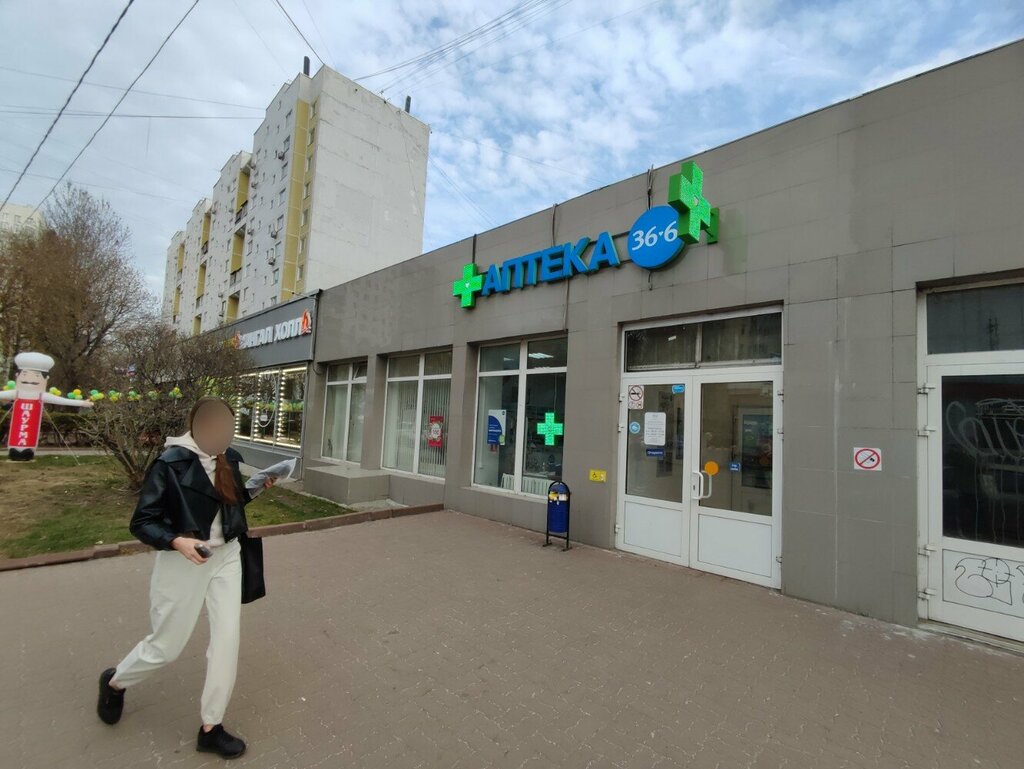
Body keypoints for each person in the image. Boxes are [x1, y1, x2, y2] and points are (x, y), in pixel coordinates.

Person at [96, 397, 272, 759]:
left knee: (227, 641)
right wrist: (177, 540)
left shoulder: (228, 456)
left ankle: (211, 727)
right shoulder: (170, 463)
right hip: (185, 561)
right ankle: (115, 682)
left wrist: (255, 488)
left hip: (228, 557)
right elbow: (142, 522)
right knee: (166, 646)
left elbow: (227, 501)